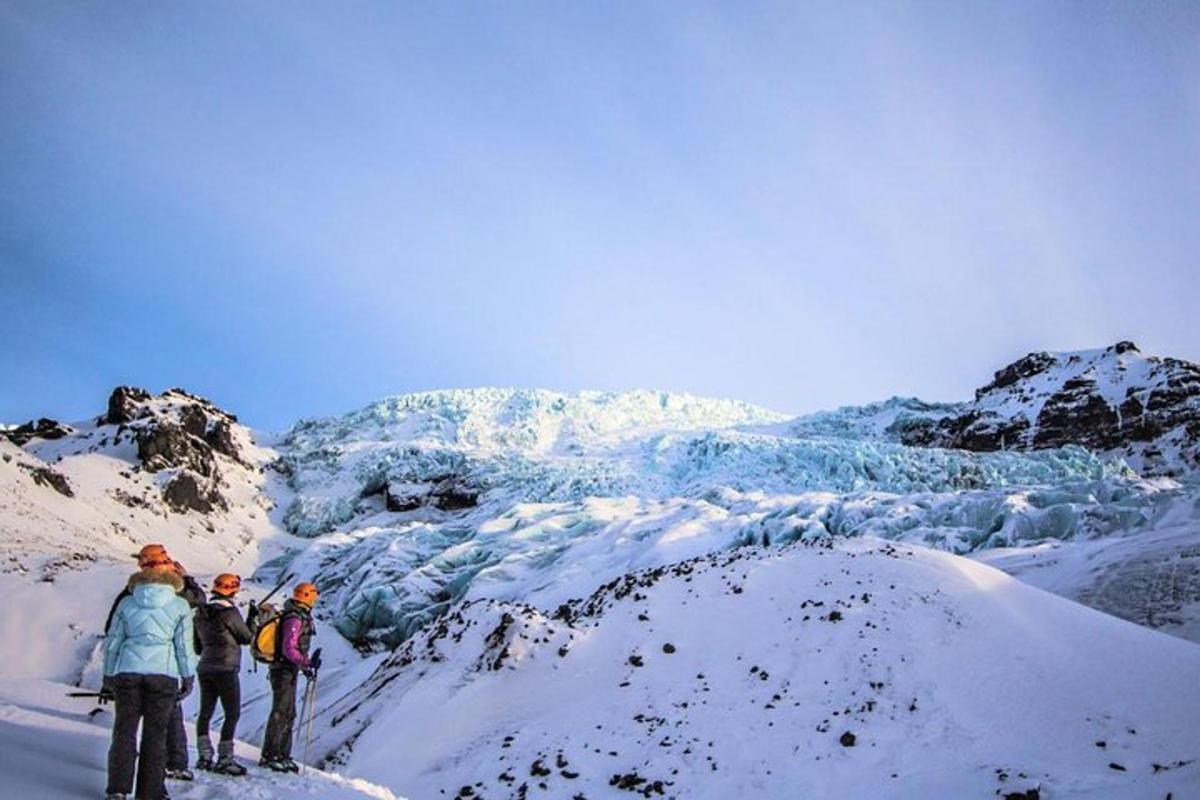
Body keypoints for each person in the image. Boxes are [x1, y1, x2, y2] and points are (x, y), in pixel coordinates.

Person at [104, 548, 206, 783]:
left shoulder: (128, 598)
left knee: (123, 733)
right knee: (158, 734)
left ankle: (117, 788)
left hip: (127, 671)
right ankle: (161, 779)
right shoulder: (178, 600)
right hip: (164, 673)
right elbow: (184, 641)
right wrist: (187, 676)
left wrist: (108, 675)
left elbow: (112, 638)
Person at [193, 573, 254, 776]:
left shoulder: (201, 614)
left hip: (205, 666)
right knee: (232, 712)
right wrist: (252, 621)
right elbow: (246, 637)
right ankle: (225, 759)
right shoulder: (230, 613)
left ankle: (204, 756)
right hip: (226, 667)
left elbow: (197, 647)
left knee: (205, 712)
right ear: (232, 589)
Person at [260, 582, 322, 773]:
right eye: (313, 594)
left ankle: (281, 754)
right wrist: (307, 662)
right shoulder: (295, 618)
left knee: (287, 712)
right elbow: (289, 648)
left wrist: (304, 666)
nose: (316, 597)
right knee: (282, 711)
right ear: (307, 596)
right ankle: (272, 755)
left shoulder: (295, 615)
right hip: (284, 670)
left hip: (286, 669)